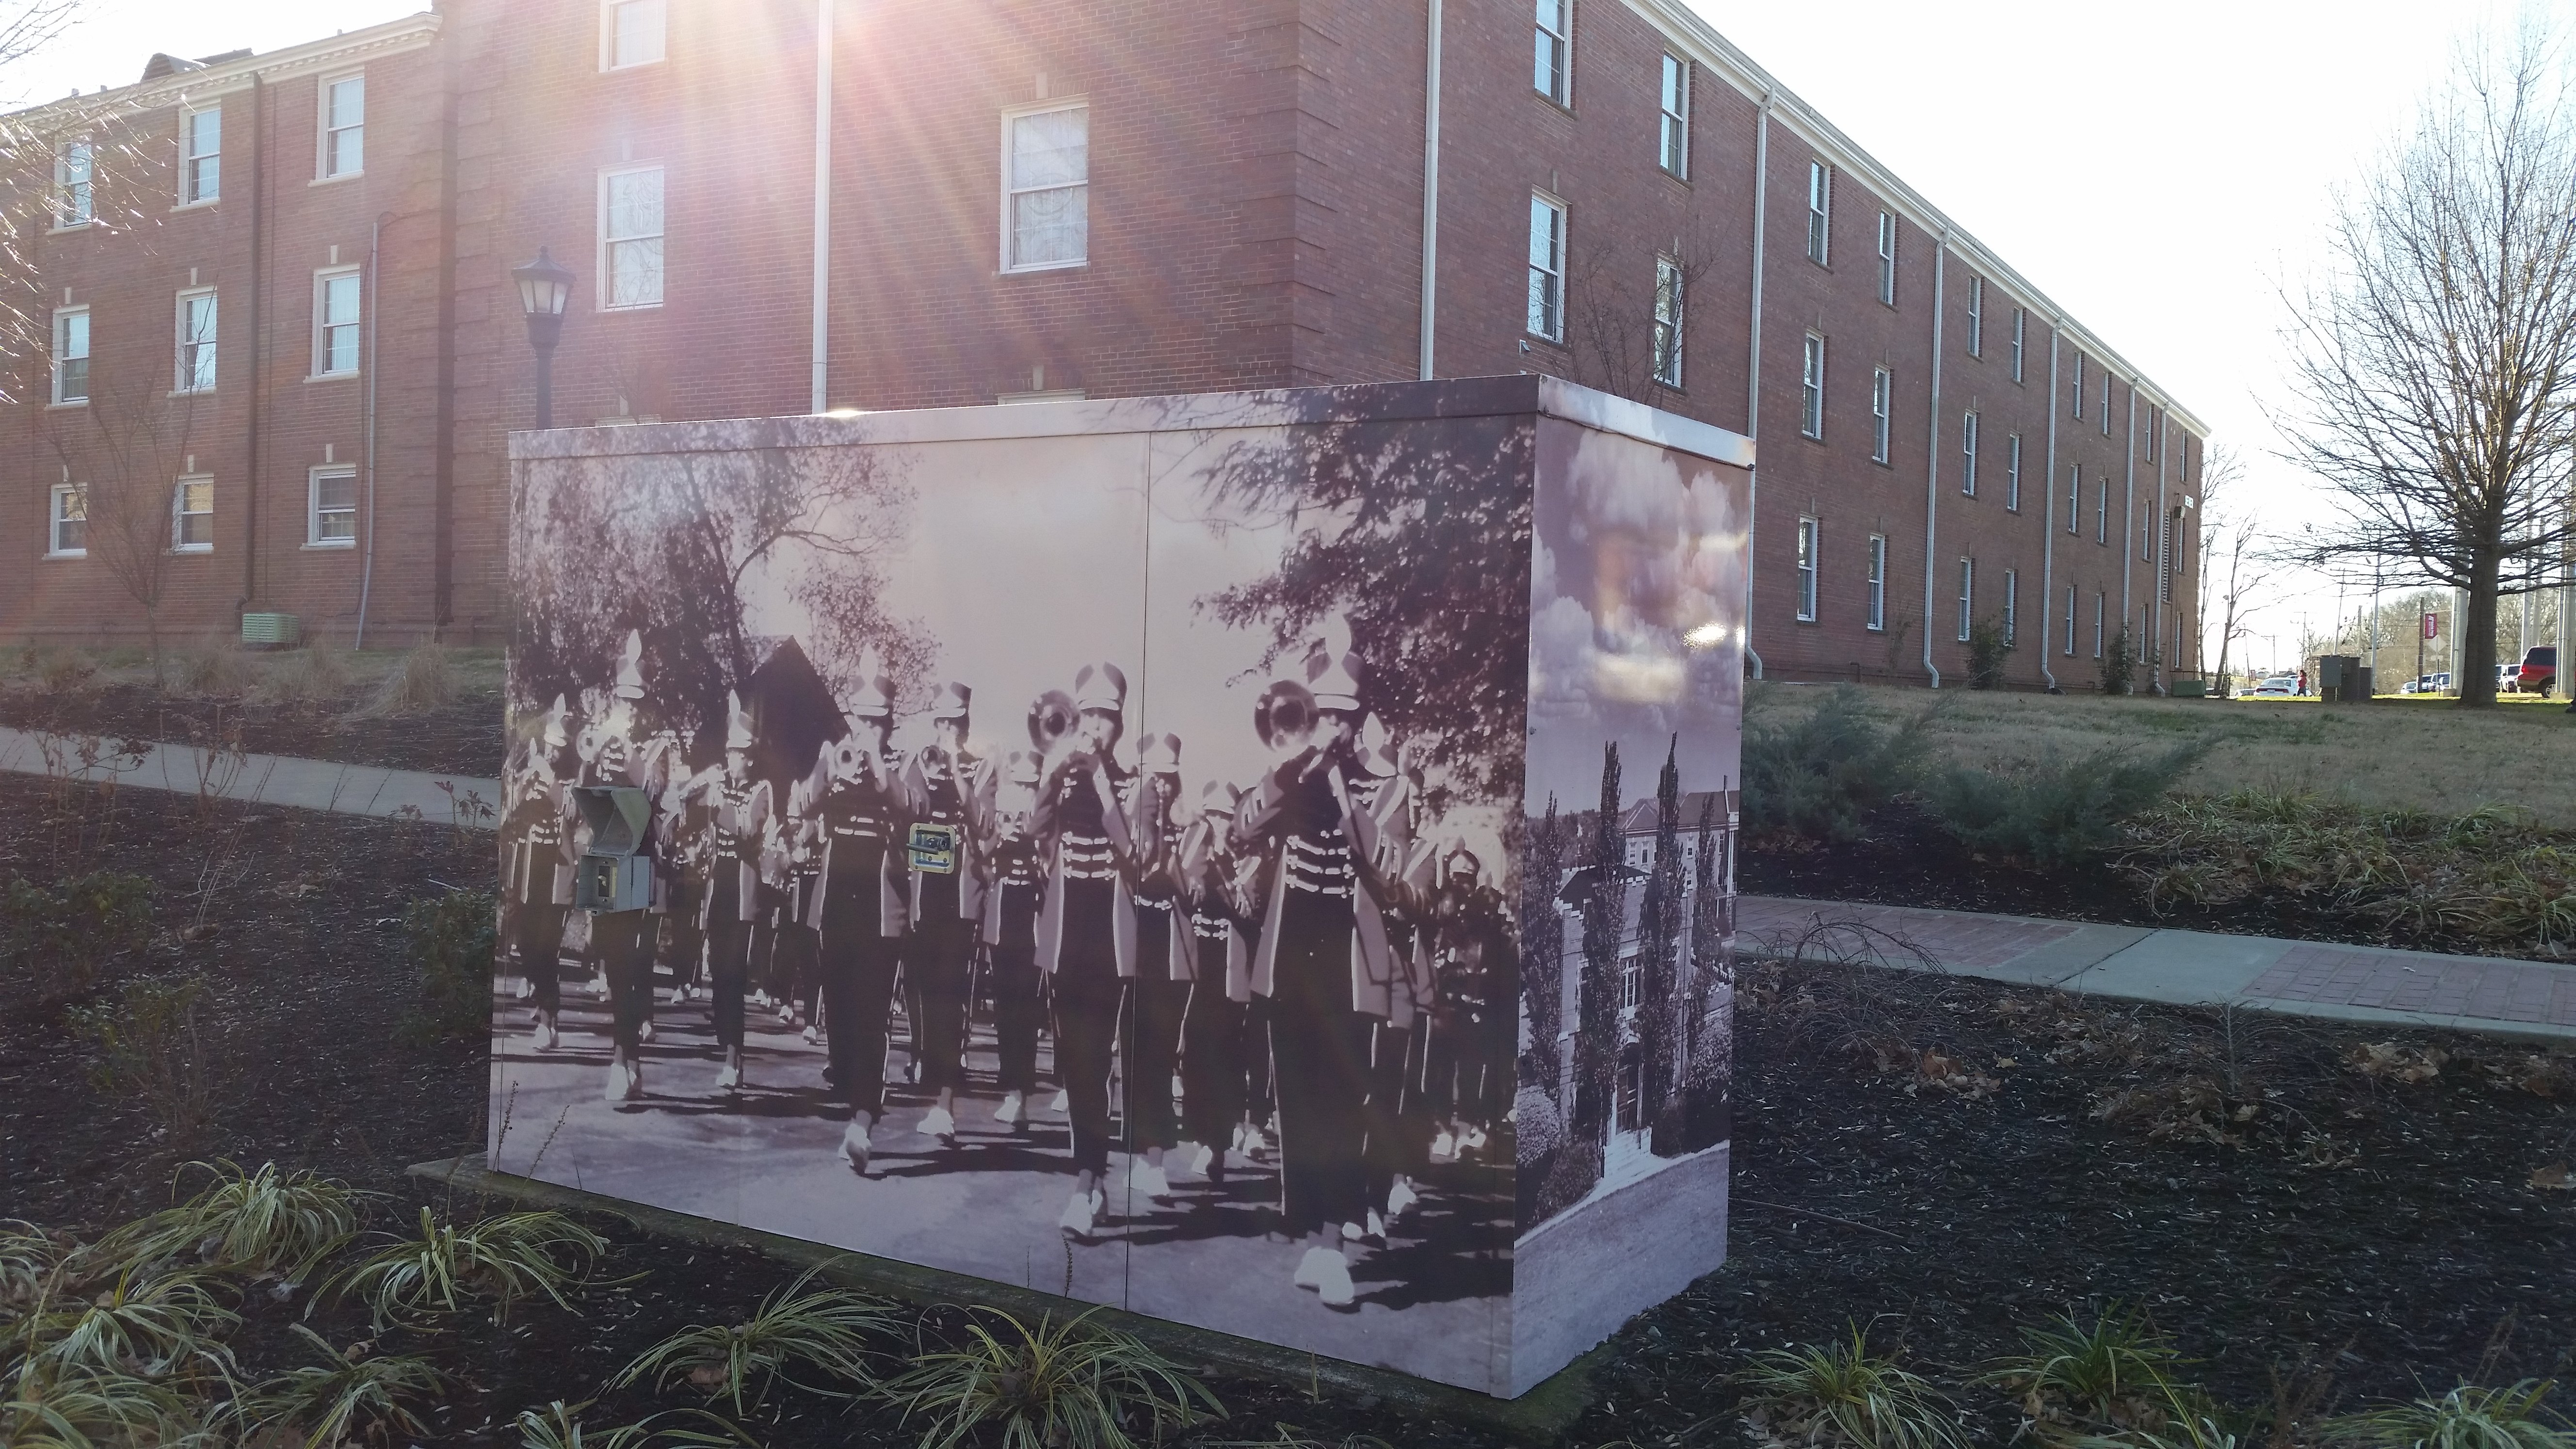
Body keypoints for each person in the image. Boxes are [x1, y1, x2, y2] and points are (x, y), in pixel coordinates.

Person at [1235, 618, 1397, 1310]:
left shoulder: (1381, 785)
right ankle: (1314, 1232)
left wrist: (1336, 785)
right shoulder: (1288, 777)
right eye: (1320, 714)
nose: (1328, 726)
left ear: (1359, 720)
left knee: (1339, 1096)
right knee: (1298, 1099)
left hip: (1348, 957)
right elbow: (1244, 825)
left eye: (1341, 716)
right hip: (1288, 953)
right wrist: (1296, 770)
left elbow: (1385, 864)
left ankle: (1335, 1242)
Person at [1033, 663, 1138, 1242]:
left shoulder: (1133, 785)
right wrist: (1052, 776)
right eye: (1087, 715)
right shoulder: (1064, 777)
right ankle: (1093, 1175)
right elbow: (1033, 830)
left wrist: (1100, 780)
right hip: (1065, 939)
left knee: (1097, 1061)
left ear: (1118, 725)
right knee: (1076, 1064)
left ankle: (1084, 1181)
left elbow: (1136, 856)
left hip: (1111, 942)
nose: (1094, 727)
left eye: (1104, 717)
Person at [809, 653, 911, 1173]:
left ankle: (863, 1121)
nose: (868, 727)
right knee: (841, 1014)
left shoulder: (900, 763)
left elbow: (907, 805)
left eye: (877, 720)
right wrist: (830, 772)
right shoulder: (834, 754)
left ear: (888, 722)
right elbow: (806, 807)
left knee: (872, 1016)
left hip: (880, 910)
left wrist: (874, 759)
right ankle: (855, 1098)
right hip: (836, 905)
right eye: (862, 718)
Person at [901, 682, 992, 1152]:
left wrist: (957, 770)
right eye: (940, 723)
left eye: (954, 724)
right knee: (919, 989)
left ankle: (945, 1105)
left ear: (966, 726)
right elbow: (905, 810)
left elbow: (983, 823)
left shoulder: (982, 767)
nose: (946, 731)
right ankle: (923, 1063)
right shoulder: (917, 762)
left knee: (950, 997)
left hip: (960, 896)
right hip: (923, 892)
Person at [1122, 733, 1191, 1204]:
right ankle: (1136, 1155)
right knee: (1130, 1056)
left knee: (1158, 1058)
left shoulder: (1190, 828)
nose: (1161, 788)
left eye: (1168, 778)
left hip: (1169, 957)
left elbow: (1190, 885)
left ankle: (1154, 1161)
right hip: (1130, 950)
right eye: (1153, 777)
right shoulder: (1128, 820)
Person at [501, 696, 578, 1052]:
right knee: (527, 947)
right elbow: (511, 817)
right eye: (549, 745)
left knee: (547, 949)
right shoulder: (532, 772)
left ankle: (550, 1020)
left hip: (558, 877)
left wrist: (548, 778)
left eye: (559, 748)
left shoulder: (574, 780)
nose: (552, 753)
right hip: (527, 874)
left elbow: (573, 812)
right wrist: (520, 785)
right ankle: (540, 995)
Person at [980, 750, 1049, 1132]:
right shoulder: (1002, 814)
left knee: (1027, 1012)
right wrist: (1001, 836)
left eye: (1031, 783)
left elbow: (1053, 872)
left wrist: (1034, 841)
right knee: (1006, 1012)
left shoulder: (1046, 819)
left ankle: (1021, 1095)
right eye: (1020, 783)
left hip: (1034, 923)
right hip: (1003, 920)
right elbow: (981, 861)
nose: (1026, 790)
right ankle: (1011, 1092)